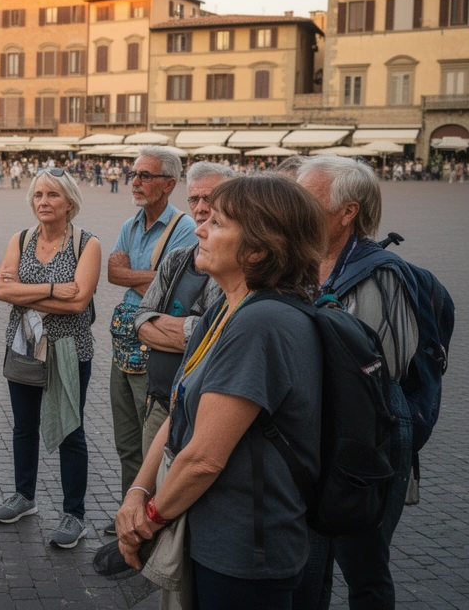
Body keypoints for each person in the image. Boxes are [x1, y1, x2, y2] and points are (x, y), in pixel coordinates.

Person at [116, 174, 326, 609]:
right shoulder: (224, 311)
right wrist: (137, 492)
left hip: (244, 551)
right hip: (213, 534)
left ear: (257, 249)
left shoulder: (260, 324)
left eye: (218, 223)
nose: (199, 228)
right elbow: (179, 414)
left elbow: (203, 458)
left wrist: (148, 520)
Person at [295, 157, 419, 610]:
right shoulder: (303, 263)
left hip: (366, 442)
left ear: (347, 212)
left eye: (306, 199)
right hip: (314, 436)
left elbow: (386, 365)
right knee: (308, 567)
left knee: (364, 567)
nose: (295, 208)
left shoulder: (380, 273)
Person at [0, 168, 101, 549]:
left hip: (69, 350)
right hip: (23, 345)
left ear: (70, 202)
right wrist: (53, 289)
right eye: (38, 195)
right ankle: (25, 497)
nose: (43, 202)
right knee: (24, 427)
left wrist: (24, 294)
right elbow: (0, 290)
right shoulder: (20, 239)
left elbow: (80, 302)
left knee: (71, 430)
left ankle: (75, 514)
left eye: (52, 195)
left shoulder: (87, 244)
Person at [106, 146, 196, 527]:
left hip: (155, 345)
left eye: (145, 176)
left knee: (152, 443)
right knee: (126, 440)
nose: (136, 182)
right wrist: (152, 277)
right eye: (135, 174)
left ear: (169, 184)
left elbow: (170, 293)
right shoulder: (130, 224)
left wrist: (139, 277)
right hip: (122, 344)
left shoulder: (185, 228)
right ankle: (130, 510)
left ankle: (154, 517)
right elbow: (111, 273)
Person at [133, 162, 235, 453]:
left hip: (202, 408)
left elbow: (218, 336)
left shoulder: (236, 267)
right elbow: (140, 319)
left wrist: (160, 325)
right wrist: (194, 331)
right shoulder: (177, 258)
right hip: (160, 402)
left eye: (210, 198)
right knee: (147, 486)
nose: (201, 208)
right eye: (194, 199)